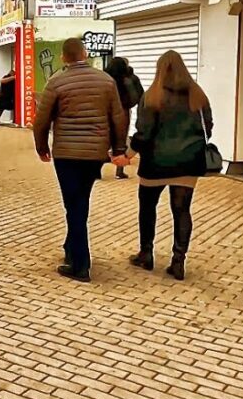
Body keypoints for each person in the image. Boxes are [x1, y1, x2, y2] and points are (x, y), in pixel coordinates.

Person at [32, 38, 128, 283]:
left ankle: (81, 264)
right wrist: (118, 149)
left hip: (66, 154)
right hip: (94, 153)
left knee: (73, 206)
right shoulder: (106, 81)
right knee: (80, 202)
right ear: (85, 54)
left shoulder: (56, 82)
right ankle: (71, 248)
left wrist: (41, 146)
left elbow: (41, 120)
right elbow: (118, 117)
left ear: (64, 57)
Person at [122, 50, 212, 281]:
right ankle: (178, 261)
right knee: (182, 210)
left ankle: (146, 253)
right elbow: (208, 126)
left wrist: (129, 154)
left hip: (156, 163)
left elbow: (144, 132)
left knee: (147, 207)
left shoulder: (152, 96)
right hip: (188, 163)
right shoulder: (197, 95)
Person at [105, 57, 145, 179]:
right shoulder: (130, 78)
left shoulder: (105, 78)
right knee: (120, 139)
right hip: (123, 111)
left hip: (106, 111)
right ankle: (119, 170)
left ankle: (96, 169)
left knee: (103, 138)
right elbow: (140, 96)